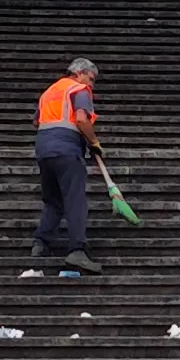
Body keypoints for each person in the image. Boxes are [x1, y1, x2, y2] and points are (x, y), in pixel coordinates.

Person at [32, 58, 106, 273]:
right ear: (80, 73)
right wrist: (94, 142)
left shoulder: (50, 92)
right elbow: (82, 119)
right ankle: (77, 250)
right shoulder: (79, 90)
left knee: (53, 200)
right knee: (75, 200)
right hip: (66, 149)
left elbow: (37, 121)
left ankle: (41, 242)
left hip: (44, 149)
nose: (91, 84)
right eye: (91, 79)